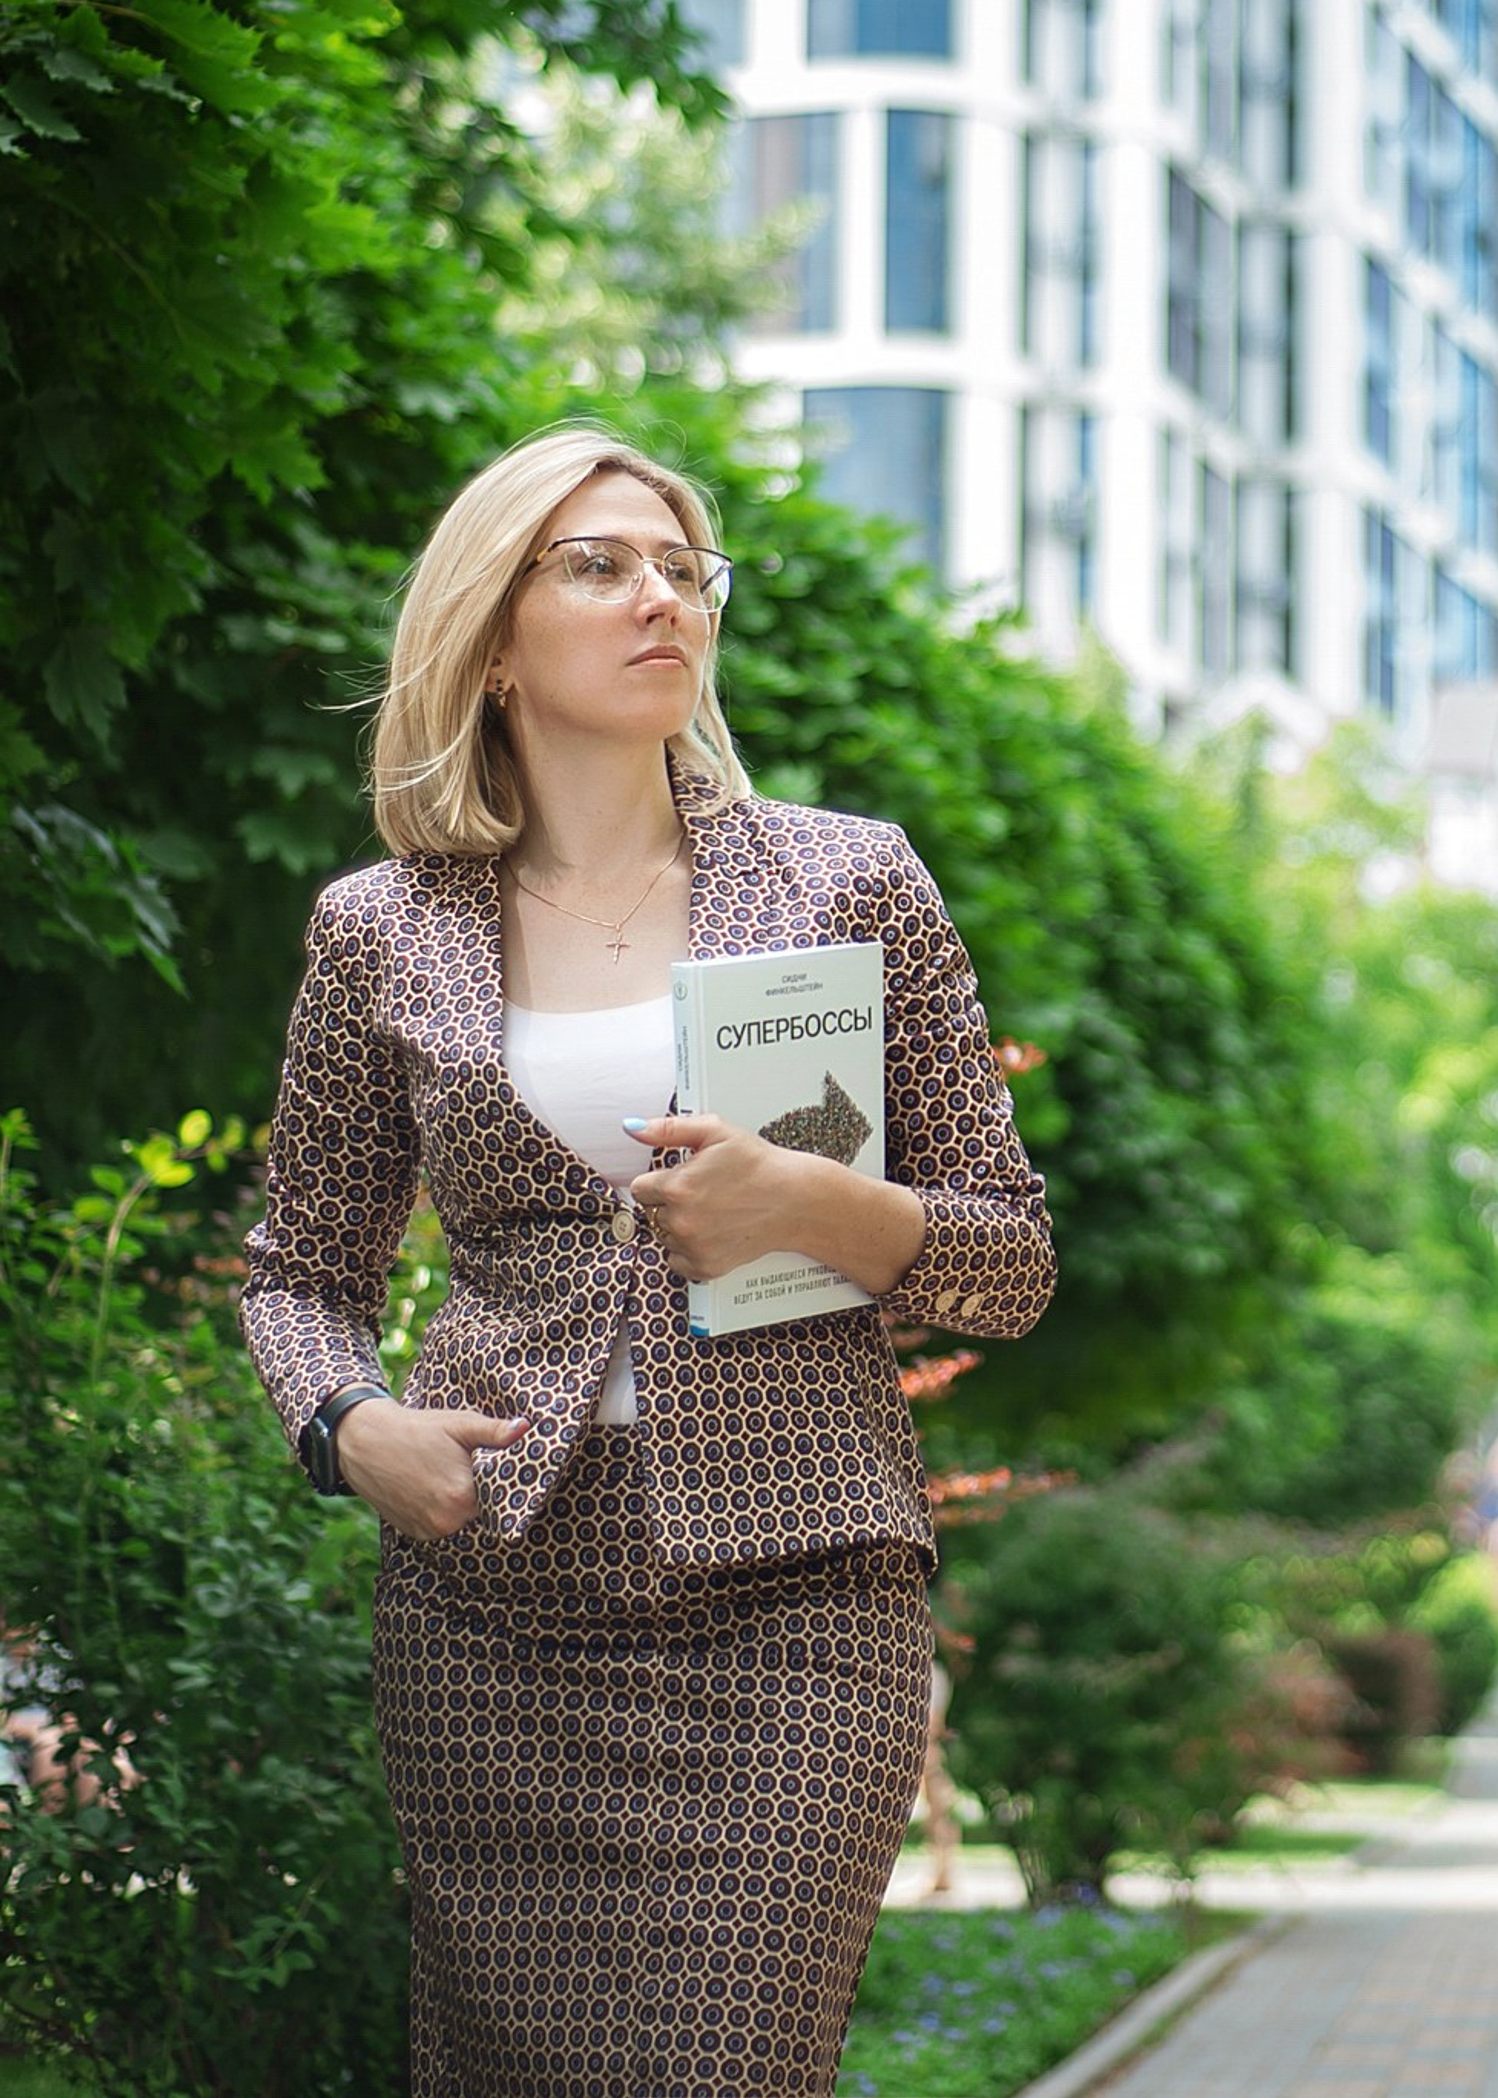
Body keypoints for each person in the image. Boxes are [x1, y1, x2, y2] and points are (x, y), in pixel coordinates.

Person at [239, 424, 1054, 2098]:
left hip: (800, 1594)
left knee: (725, 2068)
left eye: (685, 568)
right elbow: (296, 1273)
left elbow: (1010, 1265)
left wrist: (815, 1209)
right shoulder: (375, 928)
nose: (659, 597)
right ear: (490, 636)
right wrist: (349, 1428)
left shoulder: (850, 880)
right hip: (496, 1606)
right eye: (599, 564)